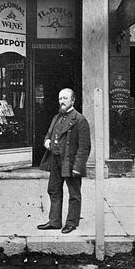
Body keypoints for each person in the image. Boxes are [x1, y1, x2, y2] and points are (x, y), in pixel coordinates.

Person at [37, 88, 91, 234]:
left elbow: (84, 147)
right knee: (53, 190)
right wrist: (47, 141)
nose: (62, 101)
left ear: (73, 100)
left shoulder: (80, 120)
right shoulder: (56, 117)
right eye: (60, 98)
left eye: (65, 99)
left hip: (70, 162)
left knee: (74, 193)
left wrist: (78, 167)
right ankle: (55, 221)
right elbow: (49, 135)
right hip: (55, 160)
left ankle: (72, 223)